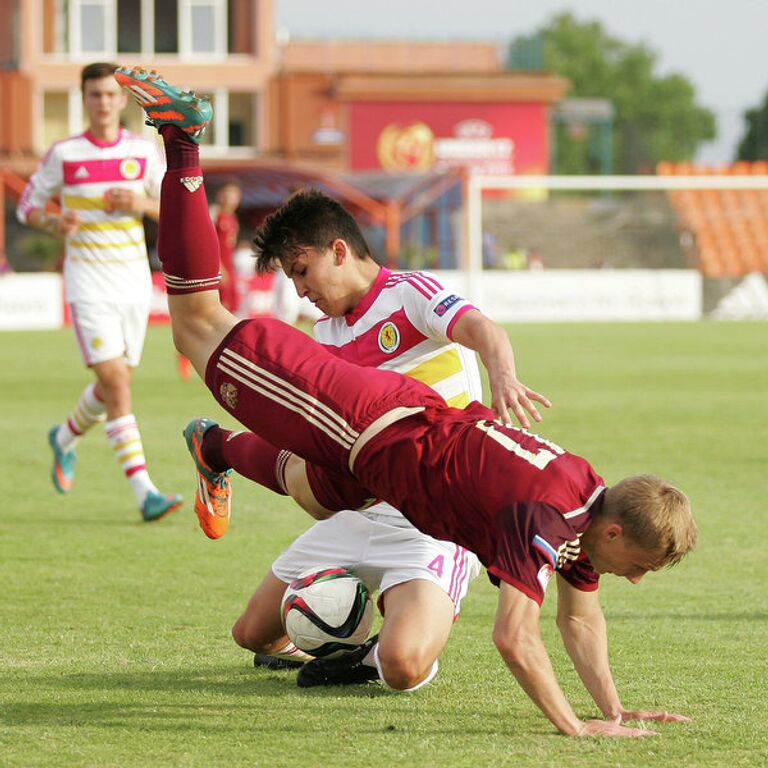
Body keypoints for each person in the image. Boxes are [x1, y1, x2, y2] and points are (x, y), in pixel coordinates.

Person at [115, 66, 698, 737]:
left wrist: (616, 713)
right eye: (640, 569)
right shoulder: (546, 519)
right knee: (196, 324)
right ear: (615, 531)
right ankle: (184, 143)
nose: (633, 581)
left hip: (388, 439)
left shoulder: (586, 494)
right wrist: (576, 728)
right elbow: (515, 638)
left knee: (322, 491)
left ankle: (219, 452)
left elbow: (580, 617)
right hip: (367, 422)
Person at [209, 185, 549, 690]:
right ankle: (337, 635)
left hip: (434, 522)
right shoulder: (325, 335)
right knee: (252, 635)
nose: (300, 290)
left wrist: (501, 375)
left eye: (302, 271)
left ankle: (370, 656)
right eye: (291, 279)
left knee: (404, 667)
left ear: (339, 251)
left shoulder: (409, 293)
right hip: (360, 510)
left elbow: (484, 330)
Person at [17, 62, 182, 521]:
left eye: (110, 94)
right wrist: (52, 220)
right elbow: (28, 203)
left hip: (131, 280)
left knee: (117, 382)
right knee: (114, 382)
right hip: (86, 280)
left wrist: (141, 203)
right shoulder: (64, 153)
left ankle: (65, 437)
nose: (103, 102)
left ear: (121, 99)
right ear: (84, 98)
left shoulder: (142, 151)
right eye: (94, 95)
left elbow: (176, 207)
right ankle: (145, 491)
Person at [212, 179, 242, 313]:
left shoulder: (233, 217)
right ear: (220, 195)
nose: (231, 200)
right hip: (218, 267)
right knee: (220, 306)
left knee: (232, 305)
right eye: (228, 195)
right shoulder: (214, 214)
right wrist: (219, 267)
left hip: (229, 266)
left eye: (234, 196)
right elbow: (210, 244)